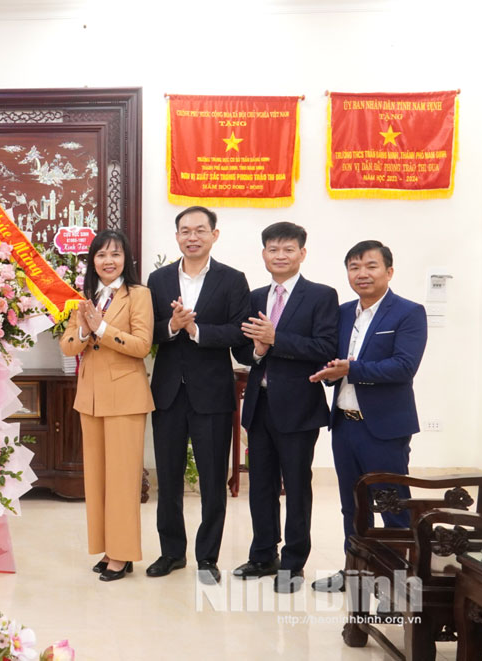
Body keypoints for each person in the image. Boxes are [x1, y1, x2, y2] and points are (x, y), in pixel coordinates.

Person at [309, 240, 427, 592]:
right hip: (344, 424)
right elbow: (330, 356)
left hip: (385, 428)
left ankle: (396, 579)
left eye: (371, 266)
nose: (362, 273)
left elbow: (403, 366)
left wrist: (352, 369)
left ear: (389, 271)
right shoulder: (343, 312)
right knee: (353, 507)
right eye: (354, 267)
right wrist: (329, 371)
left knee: (392, 506)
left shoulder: (408, 312)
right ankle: (356, 572)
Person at [229, 222, 338, 593]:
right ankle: (263, 555)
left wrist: (276, 339)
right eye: (273, 249)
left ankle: (293, 563)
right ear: (263, 254)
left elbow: (325, 348)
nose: (280, 255)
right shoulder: (255, 297)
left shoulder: (321, 296)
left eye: (288, 249)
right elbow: (242, 348)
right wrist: (258, 351)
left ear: (302, 253)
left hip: (299, 408)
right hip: (259, 406)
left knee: (296, 487)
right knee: (260, 485)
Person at [146, 206, 250, 585]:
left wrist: (197, 331)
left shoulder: (232, 280)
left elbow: (239, 332)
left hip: (212, 393)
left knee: (212, 480)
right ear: (177, 236)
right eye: (185, 230)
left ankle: (207, 557)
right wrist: (172, 326)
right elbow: (147, 330)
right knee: (168, 478)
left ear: (213, 235)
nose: (192, 237)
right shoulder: (158, 280)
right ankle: (171, 552)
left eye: (200, 230)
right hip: (168, 393)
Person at [60, 230, 154, 582]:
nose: (108, 261)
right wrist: (85, 332)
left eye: (115, 254)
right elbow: (68, 345)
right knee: (98, 480)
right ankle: (107, 549)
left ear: (126, 259)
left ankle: (123, 554)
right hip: (91, 398)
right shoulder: (86, 297)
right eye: (101, 255)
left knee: (122, 481)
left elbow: (142, 345)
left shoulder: (138, 295)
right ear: (93, 261)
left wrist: (101, 329)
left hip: (125, 397)